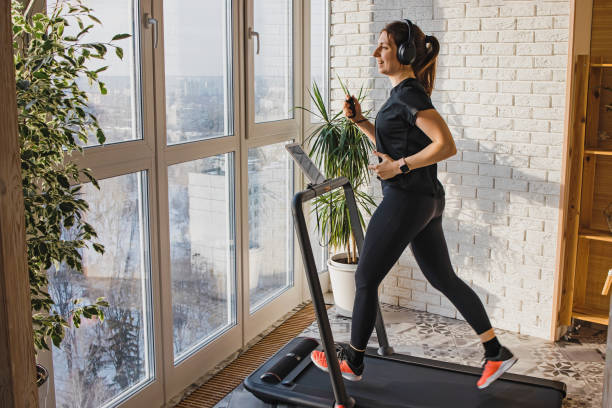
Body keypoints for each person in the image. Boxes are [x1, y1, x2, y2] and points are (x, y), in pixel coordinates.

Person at [310, 19, 517, 390]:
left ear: (404, 54)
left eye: (384, 47)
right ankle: (495, 351)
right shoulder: (401, 96)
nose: (377, 53)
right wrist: (360, 123)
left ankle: (353, 361)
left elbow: (445, 145)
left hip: (407, 200)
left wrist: (400, 167)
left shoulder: (409, 95)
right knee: (442, 278)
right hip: (425, 201)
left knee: (365, 278)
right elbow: (396, 142)